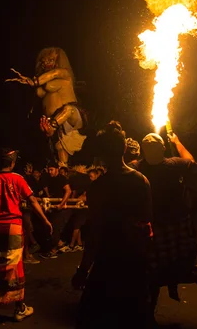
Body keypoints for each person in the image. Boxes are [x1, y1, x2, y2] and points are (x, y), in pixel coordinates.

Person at [131, 133, 197, 327]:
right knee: (194, 263)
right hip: (179, 224)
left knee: (153, 271)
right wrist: (177, 141)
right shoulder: (174, 164)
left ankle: (149, 314)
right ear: (162, 149)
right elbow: (192, 162)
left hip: (156, 227)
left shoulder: (138, 168)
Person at [72, 121, 154, 329]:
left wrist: (83, 270)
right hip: (134, 262)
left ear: (101, 153)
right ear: (124, 148)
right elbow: (146, 220)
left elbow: (95, 234)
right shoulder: (141, 181)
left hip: (107, 263)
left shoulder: (97, 188)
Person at [0, 148, 53, 324]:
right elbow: (33, 200)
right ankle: (19, 309)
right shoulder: (17, 179)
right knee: (14, 267)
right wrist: (45, 220)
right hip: (12, 227)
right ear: (12, 163)